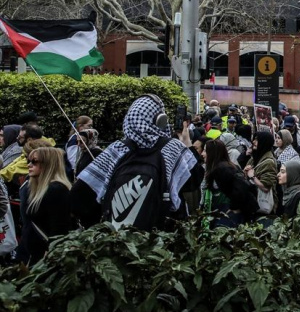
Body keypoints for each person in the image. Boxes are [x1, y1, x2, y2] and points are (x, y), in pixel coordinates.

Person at [70, 96, 198, 229]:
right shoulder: (172, 148)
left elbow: (80, 194)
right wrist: (187, 144)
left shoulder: (117, 149)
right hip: (163, 236)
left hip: (119, 236)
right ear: (160, 120)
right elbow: (194, 181)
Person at [18, 147, 72, 265]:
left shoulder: (56, 189)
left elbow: (59, 227)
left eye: (35, 162)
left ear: (49, 164)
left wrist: (51, 252)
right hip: (33, 254)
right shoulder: (35, 188)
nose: (29, 165)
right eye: (29, 161)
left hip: (46, 258)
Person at [201, 140, 258, 227]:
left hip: (230, 211)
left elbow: (242, 187)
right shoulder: (223, 166)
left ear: (212, 153)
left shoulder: (222, 168)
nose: (202, 154)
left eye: (205, 151)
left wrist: (234, 208)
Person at [244, 130, 278, 216]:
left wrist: (252, 177)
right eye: (254, 139)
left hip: (263, 209)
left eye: (257, 140)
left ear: (264, 142)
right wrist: (245, 171)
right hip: (252, 202)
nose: (254, 142)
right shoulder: (254, 157)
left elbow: (266, 187)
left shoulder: (269, 162)